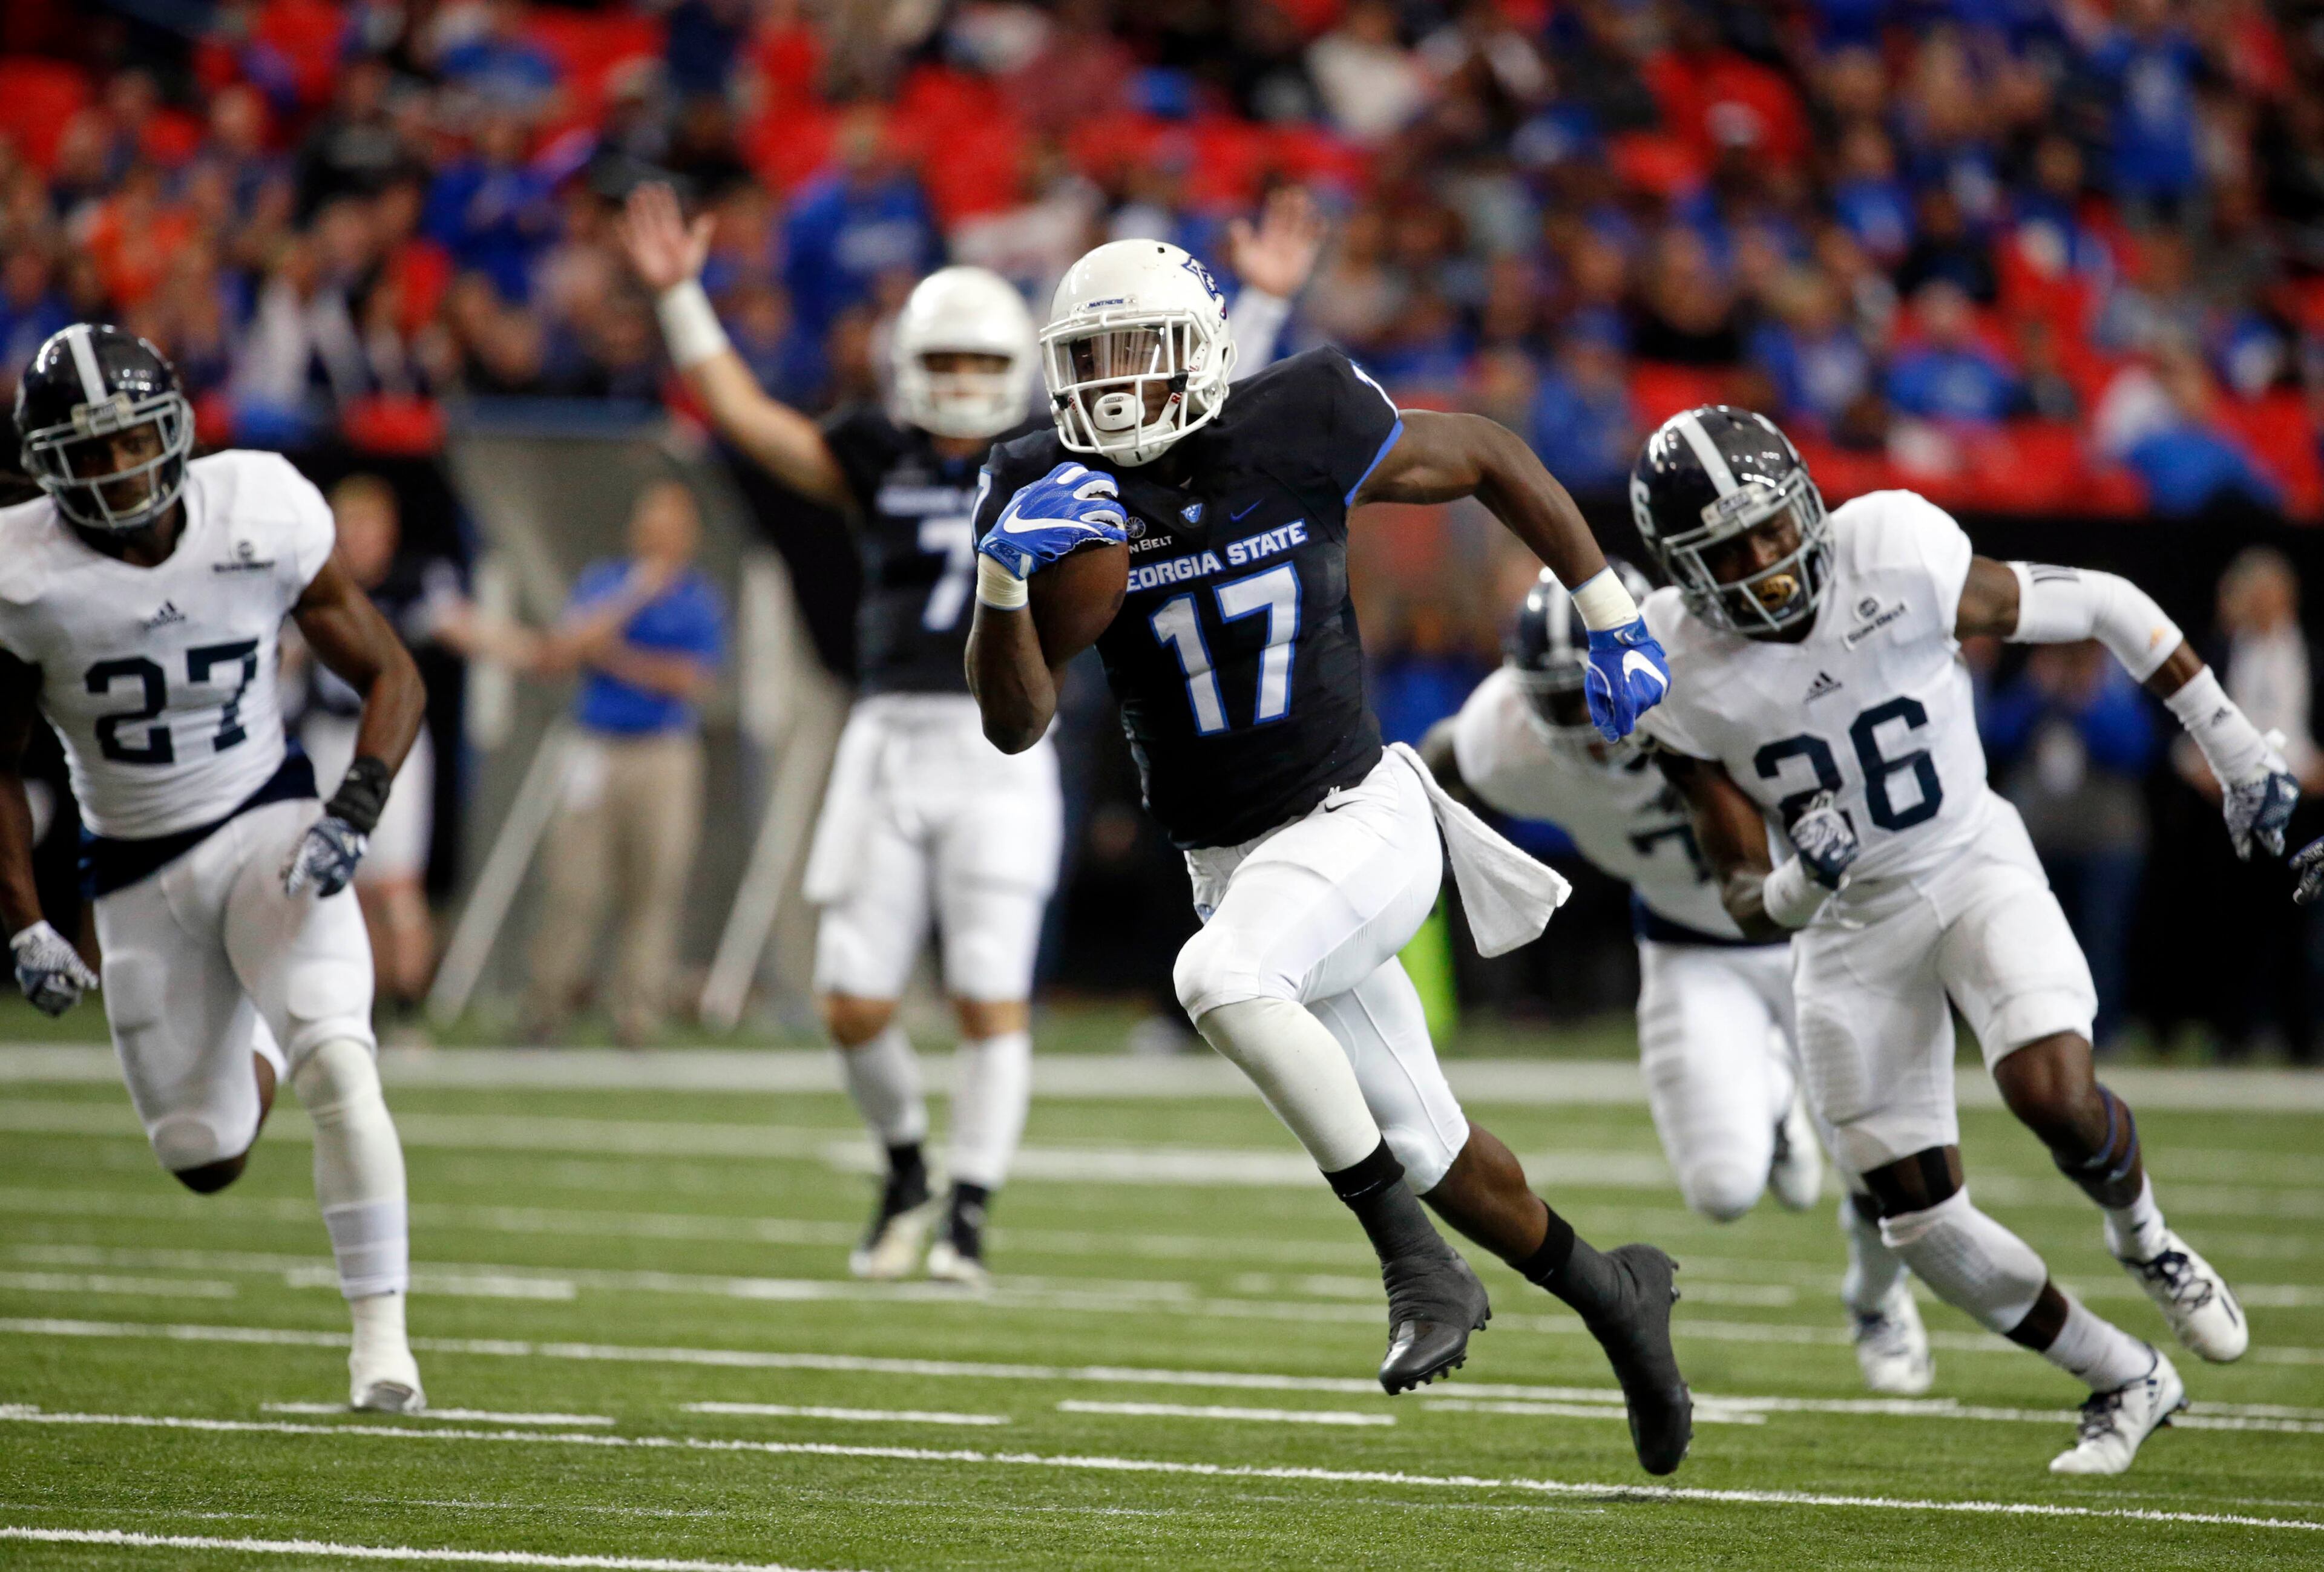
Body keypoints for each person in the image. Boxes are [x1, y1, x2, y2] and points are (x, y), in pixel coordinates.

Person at [962, 237, 1692, 1476]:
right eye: (1086, 364)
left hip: (1361, 815)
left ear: (1197, 353)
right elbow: (1014, 722)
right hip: (1234, 863)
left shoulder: (1296, 419)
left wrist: (1611, 609)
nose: (1109, 388)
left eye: (1134, 355)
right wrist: (998, 581)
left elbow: (1489, 453)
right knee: (1437, 1150)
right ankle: (1618, 1294)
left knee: (1216, 981)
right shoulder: (1043, 480)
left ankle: (1414, 1269)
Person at [619, 181, 1324, 1285]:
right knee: (854, 998)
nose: (957, 385)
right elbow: (753, 424)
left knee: (994, 999)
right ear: (909, 365)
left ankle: (971, 1210)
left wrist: (1265, 311)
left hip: (999, 747)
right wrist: (678, 301)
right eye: (940, 364)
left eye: (976, 365)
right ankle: (907, 1166)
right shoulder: (877, 452)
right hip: (889, 735)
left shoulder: (1064, 452)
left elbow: (1199, 416)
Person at [1632, 404, 2279, 1475]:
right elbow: (1741, 890)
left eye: (1770, 527)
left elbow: (2109, 604)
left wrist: (2239, 747)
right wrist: (1800, 878)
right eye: (1730, 550)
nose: (1767, 562)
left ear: (1806, 500)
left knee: (2048, 1088)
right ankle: (2124, 1375)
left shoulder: (1894, 547)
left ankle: (2146, 1237)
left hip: (1971, 857)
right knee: (1920, 1221)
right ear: (1683, 570)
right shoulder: (1674, 668)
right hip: (1849, 929)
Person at [0, 324, 428, 1411]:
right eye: (86, 454)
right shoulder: (23, 575)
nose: (117, 470)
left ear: (175, 425)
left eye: (131, 439)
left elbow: (390, 668)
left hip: (267, 823)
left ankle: (382, 1343)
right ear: (47, 467)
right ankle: (267, 1025)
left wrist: (356, 808)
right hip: (132, 867)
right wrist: (23, 921)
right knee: (204, 1152)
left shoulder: (260, 508)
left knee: (342, 1058)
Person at [1415, 566, 1888, 1379]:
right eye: (1565, 703)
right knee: (1721, 1189)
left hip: (1817, 932)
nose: (1593, 728)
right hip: (1686, 937)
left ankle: (1880, 1301)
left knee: (1889, 1158)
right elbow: (1435, 762)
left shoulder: (1728, 688)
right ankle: (1773, 1095)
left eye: (1599, 693)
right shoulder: (1506, 735)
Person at [455, 480, 723, 1046]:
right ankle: (546, 1006)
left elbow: (688, 679)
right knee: (572, 885)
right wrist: (635, 596)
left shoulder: (698, 597)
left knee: (654, 886)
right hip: (597, 746)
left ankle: (636, 1015)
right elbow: (565, 648)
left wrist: (615, 657)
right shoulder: (609, 582)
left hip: (663, 752)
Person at [289, 474, 447, 1030]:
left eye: (369, 527)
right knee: (340, 883)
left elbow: (464, 628)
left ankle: (408, 1008)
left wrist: (537, 651)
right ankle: (364, 1002)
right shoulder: (311, 587)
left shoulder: (413, 584)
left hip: (388, 739)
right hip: (327, 739)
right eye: (349, 527)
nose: (360, 539)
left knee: (397, 882)